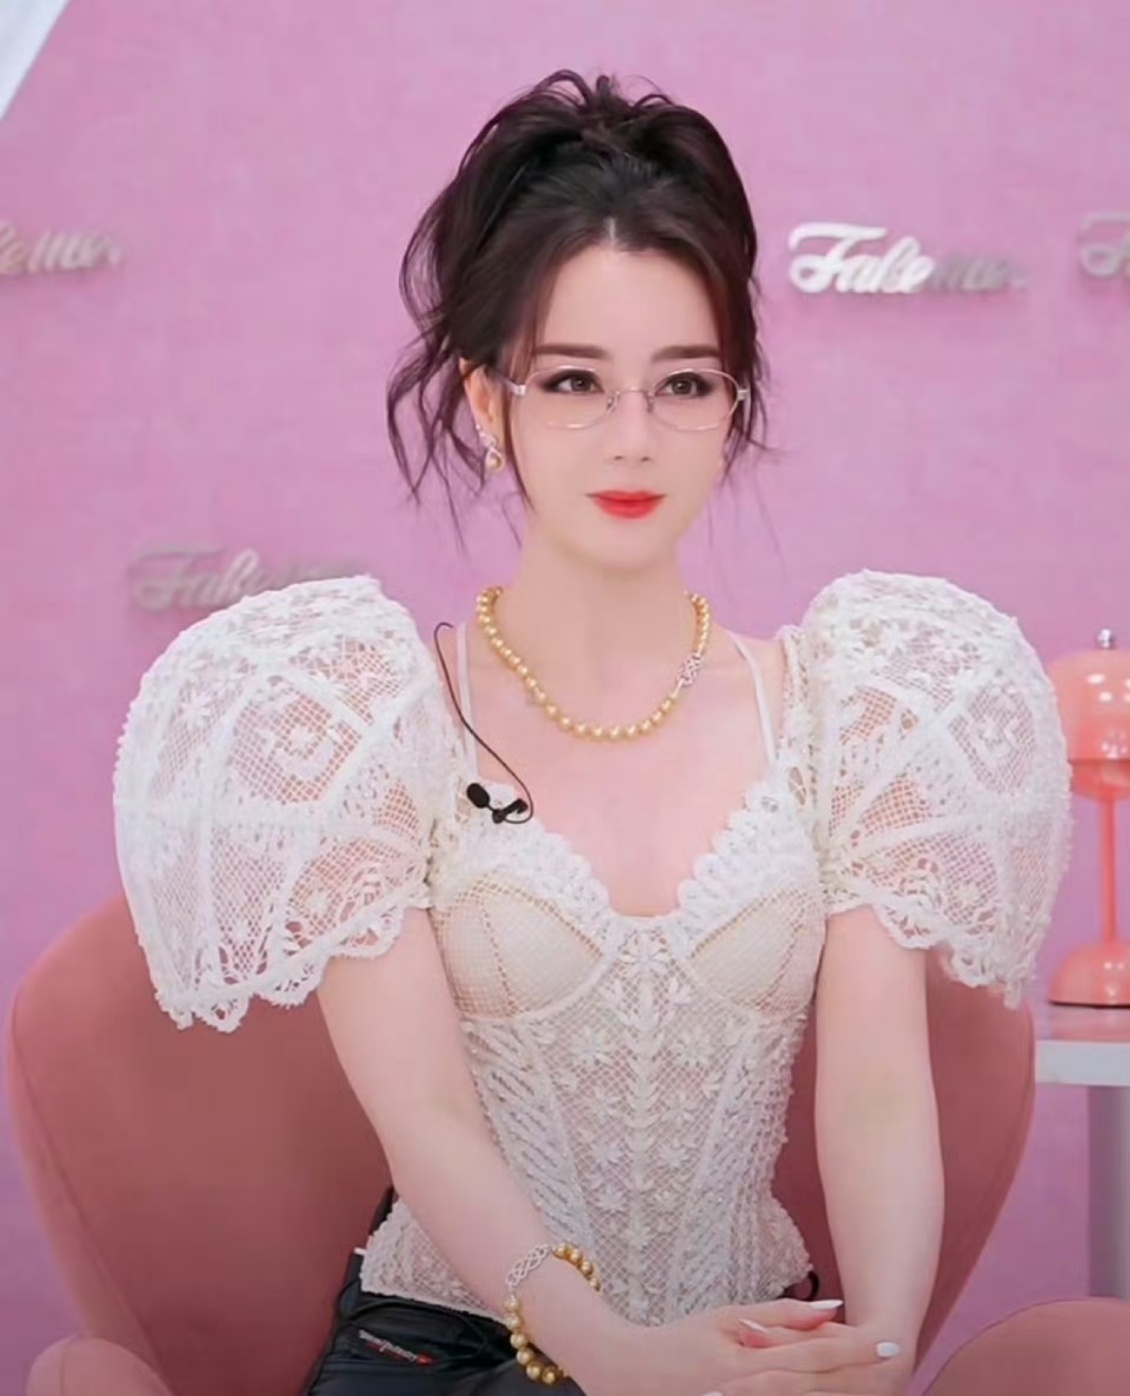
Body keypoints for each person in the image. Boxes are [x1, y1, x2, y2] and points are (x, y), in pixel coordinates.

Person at [111, 70, 1072, 1396]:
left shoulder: (845, 709)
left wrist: (881, 1357)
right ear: (486, 402)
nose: (633, 439)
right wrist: (614, 1357)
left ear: (734, 403)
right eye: (574, 380)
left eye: (683, 384)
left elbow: (874, 1091)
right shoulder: (369, 719)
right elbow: (427, 1119)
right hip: (450, 1354)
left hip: (750, 1345)